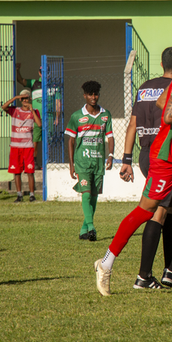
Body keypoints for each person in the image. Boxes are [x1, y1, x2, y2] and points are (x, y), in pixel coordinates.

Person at [94, 31, 172, 295]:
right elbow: (168, 114)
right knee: (145, 210)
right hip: (166, 158)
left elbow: (163, 100)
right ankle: (105, 263)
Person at [119, 46, 172, 289]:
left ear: (162, 65)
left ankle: (169, 270)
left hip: (146, 153)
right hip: (164, 155)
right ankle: (144, 276)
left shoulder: (144, 88)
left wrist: (126, 159)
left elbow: (132, 124)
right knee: (159, 211)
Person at [65, 81, 114, 241]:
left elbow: (110, 136)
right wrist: (72, 164)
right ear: (85, 95)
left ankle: (84, 229)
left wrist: (111, 155)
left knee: (94, 196)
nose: (93, 97)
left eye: (96, 94)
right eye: (90, 94)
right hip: (82, 163)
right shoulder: (77, 116)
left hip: (98, 162)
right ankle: (92, 227)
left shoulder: (106, 115)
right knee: (85, 194)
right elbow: (71, 141)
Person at [2, 89, 42, 203]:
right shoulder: (15, 110)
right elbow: (3, 107)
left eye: (27, 98)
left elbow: (39, 124)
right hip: (15, 146)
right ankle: (19, 194)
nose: (25, 100)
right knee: (17, 172)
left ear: (30, 99)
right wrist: (14, 98)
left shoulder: (34, 111)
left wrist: (31, 109)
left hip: (28, 146)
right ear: (20, 99)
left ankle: (32, 195)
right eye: (22, 98)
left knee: (30, 172)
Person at [16, 63, 62, 158]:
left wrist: (57, 117)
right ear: (39, 73)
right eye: (42, 72)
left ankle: (48, 161)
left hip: (49, 117)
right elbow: (21, 80)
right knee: (34, 141)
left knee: (48, 141)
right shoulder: (34, 83)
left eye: (46, 72)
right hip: (35, 117)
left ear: (50, 73)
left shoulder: (54, 86)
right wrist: (17, 70)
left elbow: (58, 103)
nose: (44, 74)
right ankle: (34, 162)